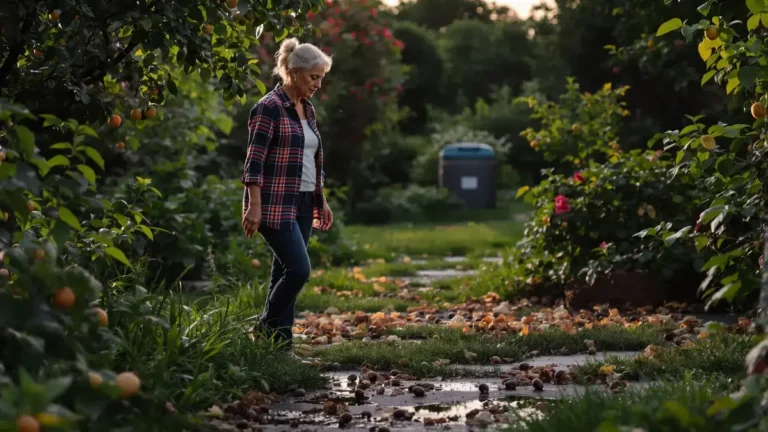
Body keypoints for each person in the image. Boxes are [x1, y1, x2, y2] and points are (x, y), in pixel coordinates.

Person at [241, 37, 334, 359]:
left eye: (321, 78)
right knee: (298, 270)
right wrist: (254, 205)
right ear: (294, 72)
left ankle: (280, 348)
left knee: (282, 272)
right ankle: (265, 325)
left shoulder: (307, 109)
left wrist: (321, 199)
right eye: (314, 77)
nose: (318, 85)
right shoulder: (268, 107)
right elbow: (254, 161)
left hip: (305, 201)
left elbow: (312, 159)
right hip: (274, 203)